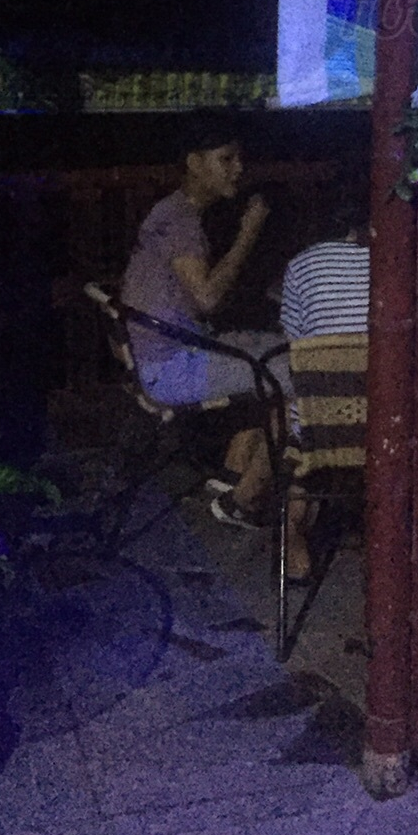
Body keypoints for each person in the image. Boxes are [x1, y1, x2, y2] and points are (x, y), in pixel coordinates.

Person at [119, 122, 285, 526]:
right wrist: (249, 232)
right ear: (194, 163)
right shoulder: (180, 223)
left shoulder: (171, 211)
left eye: (239, 158)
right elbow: (207, 297)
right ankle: (244, 501)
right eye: (226, 159)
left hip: (161, 353)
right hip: (172, 367)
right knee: (302, 371)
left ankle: (233, 471)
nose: (238, 168)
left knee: (275, 345)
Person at [277, 183, 370, 579]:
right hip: (385, 426)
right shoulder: (399, 261)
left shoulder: (301, 265)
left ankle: (293, 535)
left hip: (323, 431)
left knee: (295, 412)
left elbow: (296, 344)